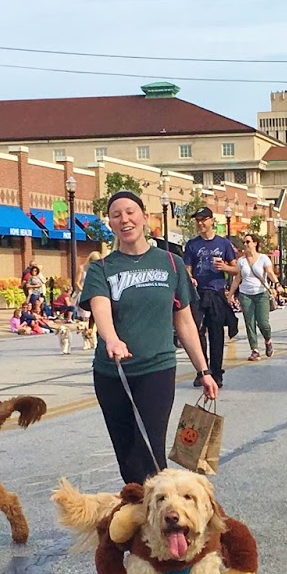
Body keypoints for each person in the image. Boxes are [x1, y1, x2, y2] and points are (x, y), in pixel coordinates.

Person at [80, 190, 216, 486]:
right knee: (127, 455)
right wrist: (111, 339)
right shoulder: (102, 268)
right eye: (116, 215)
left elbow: (184, 321)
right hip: (112, 373)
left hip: (156, 370)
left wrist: (203, 370)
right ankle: (139, 518)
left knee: (151, 449)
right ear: (111, 224)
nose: (124, 219)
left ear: (145, 218)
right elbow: (99, 306)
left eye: (130, 212)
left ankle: (164, 520)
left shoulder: (170, 263)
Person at [183, 207, 237, 386]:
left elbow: (236, 269)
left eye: (203, 219)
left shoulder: (223, 244)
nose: (200, 223)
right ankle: (202, 370)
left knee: (216, 333)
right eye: (197, 220)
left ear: (212, 220)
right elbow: (187, 268)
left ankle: (217, 372)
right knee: (196, 331)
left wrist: (225, 268)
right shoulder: (192, 245)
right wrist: (189, 278)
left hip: (216, 293)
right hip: (198, 294)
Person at [233, 233, 277, 361]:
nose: (245, 244)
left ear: (255, 243)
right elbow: (237, 279)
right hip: (245, 294)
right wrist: (230, 295)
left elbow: (270, 272)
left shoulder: (263, 258)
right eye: (244, 242)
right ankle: (254, 350)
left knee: (263, 323)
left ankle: (268, 340)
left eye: (248, 242)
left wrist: (277, 284)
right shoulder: (241, 261)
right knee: (249, 323)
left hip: (261, 293)